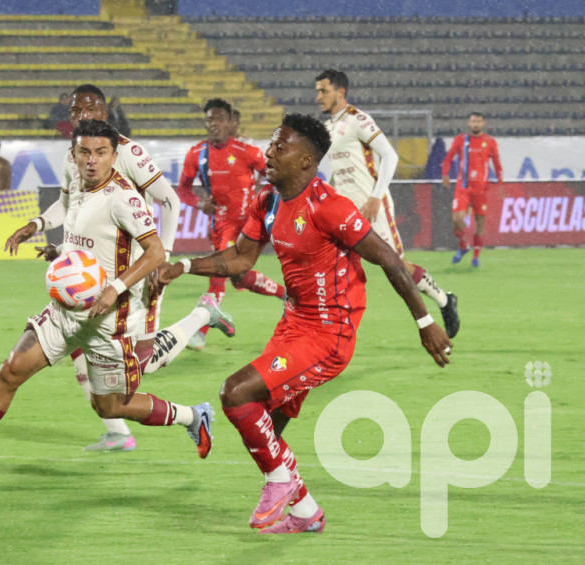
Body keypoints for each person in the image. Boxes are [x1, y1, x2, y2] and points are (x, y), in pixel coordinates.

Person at [158, 113, 453, 534]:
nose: (270, 151)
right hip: (294, 324)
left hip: (330, 334)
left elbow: (387, 258)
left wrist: (425, 321)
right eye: (272, 143)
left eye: (281, 146)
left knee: (235, 393)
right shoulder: (268, 199)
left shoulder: (330, 207)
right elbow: (240, 259)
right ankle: (305, 513)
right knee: (264, 430)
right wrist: (183, 266)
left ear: (307, 162)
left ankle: (280, 483)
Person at [0, 119, 215, 473]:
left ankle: (192, 415)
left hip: (108, 323)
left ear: (114, 155)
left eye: (100, 153)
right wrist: (41, 231)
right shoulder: (77, 183)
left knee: (111, 408)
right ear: (74, 153)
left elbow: (154, 253)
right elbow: (79, 231)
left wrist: (115, 288)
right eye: (83, 152)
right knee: (11, 370)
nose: (90, 160)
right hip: (64, 311)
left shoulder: (124, 199)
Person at [4, 84, 228, 452]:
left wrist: (164, 257)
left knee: (143, 365)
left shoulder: (126, 152)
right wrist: (38, 226)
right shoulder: (75, 155)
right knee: (81, 343)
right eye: (75, 111)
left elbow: (168, 200)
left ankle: (203, 314)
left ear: (104, 115)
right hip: (97, 274)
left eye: (89, 111)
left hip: (138, 273)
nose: (81, 117)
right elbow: (68, 205)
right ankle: (118, 431)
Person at [315, 69, 460, 339]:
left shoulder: (358, 120)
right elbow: (339, 170)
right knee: (330, 265)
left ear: (340, 92)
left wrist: (374, 196)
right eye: (318, 91)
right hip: (346, 211)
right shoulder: (327, 128)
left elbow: (389, 156)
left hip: (373, 207)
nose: (318, 96)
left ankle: (443, 300)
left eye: (323, 91)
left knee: (397, 267)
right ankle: (330, 331)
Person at [178, 98, 286, 350]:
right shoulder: (197, 155)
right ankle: (286, 295)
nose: (213, 124)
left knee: (219, 271)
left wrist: (265, 202)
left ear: (230, 122)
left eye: (219, 119)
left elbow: (274, 178)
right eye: (209, 119)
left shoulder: (247, 152)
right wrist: (199, 204)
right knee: (238, 278)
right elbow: (183, 190)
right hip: (222, 225)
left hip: (248, 225)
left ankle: (200, 333)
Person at [441, 112, 503, 267]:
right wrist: (444, 173)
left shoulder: (489, 141)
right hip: (463, 187)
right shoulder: (462, 140)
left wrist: (500, 183)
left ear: (483, 123)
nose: (476, 124)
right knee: (457, 219)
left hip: (481, 188)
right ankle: (463, 246)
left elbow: (497, 163)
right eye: (473, 121)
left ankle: (476, 257)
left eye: (478, 121)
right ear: (469, 123)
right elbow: (448, 158)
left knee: (480, 223)